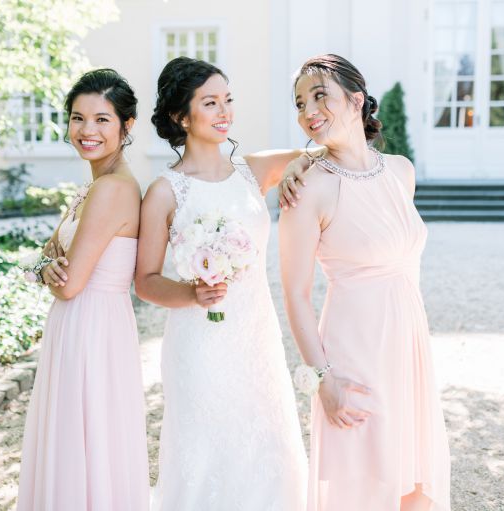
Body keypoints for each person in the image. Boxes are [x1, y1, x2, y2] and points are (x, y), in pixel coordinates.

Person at [135, 56, 310, 510]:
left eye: (227, 100)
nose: (224, 112)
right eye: (210, 103)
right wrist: (192, 293)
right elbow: (146, 282)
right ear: (180, 116)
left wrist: (293, 170)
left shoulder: (254, 170)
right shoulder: (164, 192)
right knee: (205, 447)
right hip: (199, 344)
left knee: (268, 442)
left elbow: (325, 154)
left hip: (256, 338)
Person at [279, 54, 451, 511]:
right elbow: (295, 295)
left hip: (408, 348)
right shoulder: (308, 189)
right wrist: (323, 379)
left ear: (356, 100)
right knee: (363, 485)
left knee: (413, 484)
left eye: (320, 96)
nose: (308, 110)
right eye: (299, 103)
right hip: (353, 355)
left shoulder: (400, 171)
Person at [16, 68, 149, 511]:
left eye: (102, 119)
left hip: (91, 328)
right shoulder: (93, 187)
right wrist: (45, 265)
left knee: (83, 438)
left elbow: (68, 284)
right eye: (77, 118)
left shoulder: (112, 190)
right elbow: (47, 254)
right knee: (83, 438)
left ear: (127, 126)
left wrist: (47, 270)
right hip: (83, 325)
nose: (86, 130)